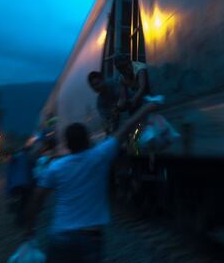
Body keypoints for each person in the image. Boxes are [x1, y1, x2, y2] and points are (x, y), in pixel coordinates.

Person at [24, 102, 159, 263]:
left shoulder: (56, 167)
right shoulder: (100, 156)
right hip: (90, 238)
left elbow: (37, 197)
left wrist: (29, 229)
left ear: (67, 145)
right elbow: (126, 127)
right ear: (88, 140)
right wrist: (147, 108)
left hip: (60, 236)